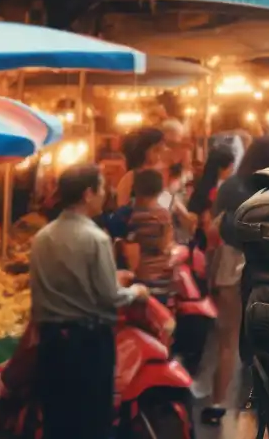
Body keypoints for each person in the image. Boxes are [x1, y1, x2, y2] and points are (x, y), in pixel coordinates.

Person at [29, 164, 150, 439]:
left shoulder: (41, 237)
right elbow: (110, 295)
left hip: (50, 344)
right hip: (88, 345)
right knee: (91, 421)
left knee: (57, 421)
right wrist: (137, 292)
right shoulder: (95, 238)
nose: (104, 194)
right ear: (87, 194)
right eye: (101, 189)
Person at [205, 137, 269, 425]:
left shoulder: (230, 186)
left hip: (230, 265)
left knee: (226, 339)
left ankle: (216, 405)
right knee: (262, 339)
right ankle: (254, 406)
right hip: (265, 265)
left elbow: (212, 230)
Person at [122, 169, 174, 302]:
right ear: (160, 190)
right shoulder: (163, 215)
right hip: (161, 276)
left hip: (139, 276)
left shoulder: (132, 216)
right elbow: (165, 246)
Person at [187, 145, 236, 253]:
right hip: (207, 242)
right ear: (221, 168)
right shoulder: (212, 191)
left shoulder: (203, 185)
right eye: (230, 166)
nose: (232, 170)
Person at [114, 126, 166, 209]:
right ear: (143, 150)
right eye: (156, 150)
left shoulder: (160, 174)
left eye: (161, 151)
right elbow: (122, 209)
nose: (159, 156)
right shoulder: (131, 178)